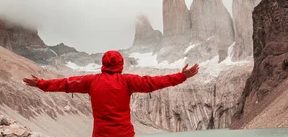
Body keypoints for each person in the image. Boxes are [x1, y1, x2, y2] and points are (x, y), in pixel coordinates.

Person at [23, 50, 199, 137]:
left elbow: (66, 84)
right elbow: (154, 83)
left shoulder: (91, 81)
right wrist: (181, 76)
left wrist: (41, 83)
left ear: (103, 63)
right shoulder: (127, 81)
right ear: (120, 65)